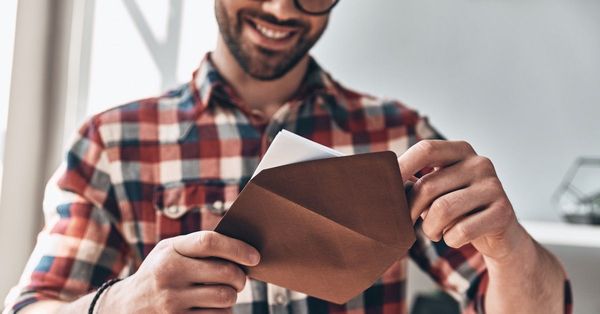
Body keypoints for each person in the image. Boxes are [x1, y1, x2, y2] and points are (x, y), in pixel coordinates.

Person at [4, 0, 571, 313]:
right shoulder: (113, 142)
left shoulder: (398, 133)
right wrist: (127, 302)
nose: (282, 9)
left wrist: (509, 247)